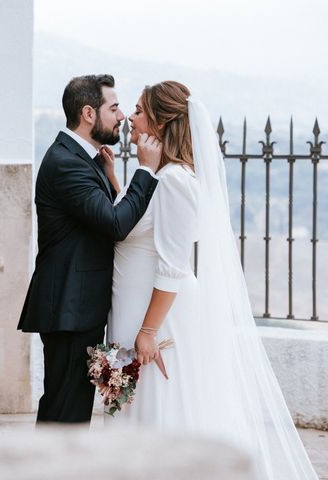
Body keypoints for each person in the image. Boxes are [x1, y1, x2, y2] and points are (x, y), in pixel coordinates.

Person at [103, 80, 318, 480]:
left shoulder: (176, 182)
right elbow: (133, 225)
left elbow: (172, 266)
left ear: (162, 123)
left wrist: (148, 332)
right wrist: (118, 180)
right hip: (133, 311)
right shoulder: (156, 176)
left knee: (163, 413)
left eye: (138, 110)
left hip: (159, 318)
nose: (130, 118)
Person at [18, 74, 161, 423]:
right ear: (88, 113)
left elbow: (98, 216)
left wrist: (111, 177)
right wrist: (145, 171)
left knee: (70, 407)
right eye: (113, 108)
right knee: (65, 411)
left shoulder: (82, 158)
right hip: (70, 307)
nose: (122, 116)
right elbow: (114, 224)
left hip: (77, 305)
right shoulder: (66, 162)